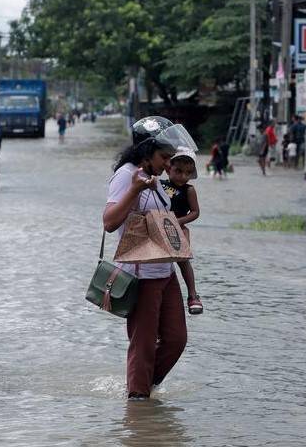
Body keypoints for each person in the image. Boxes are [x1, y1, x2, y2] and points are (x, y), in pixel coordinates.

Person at [103, 115, 197, 400]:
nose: (168, 165)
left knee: (176, 339)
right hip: (141, 276)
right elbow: (108, 223)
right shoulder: (126, 175)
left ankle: (140, 388)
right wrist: (134, 188)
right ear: (146, 152)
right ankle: (138, 403)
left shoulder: (156, 179)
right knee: (142, 344)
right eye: (164, 157)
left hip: (165, 272)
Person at [160, 148, 203, 315]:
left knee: (183, 260)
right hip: (158, 226)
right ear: (168, 169)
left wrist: (178, 221)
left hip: (178, 229)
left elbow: (195, 212)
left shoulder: (189, 190)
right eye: (178, 171)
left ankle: (192, 295)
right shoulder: (158, 184)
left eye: (188, 173)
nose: (183, 176)